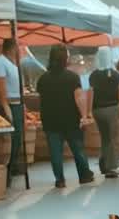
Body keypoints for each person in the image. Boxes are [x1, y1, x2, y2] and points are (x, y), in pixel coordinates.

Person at [36, 44, 94, 188]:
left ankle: (60, 180)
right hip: (71, 120)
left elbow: (41, 100)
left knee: (55, 152)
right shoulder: (72, 77)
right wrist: (84, 116)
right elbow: (79, 97)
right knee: (78, 149)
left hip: (50, 121)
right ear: (65, 59)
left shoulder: (43, 79)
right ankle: (84, 175)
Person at [88, 46, 119, 178]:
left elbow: (90, 92)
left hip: (97, 110)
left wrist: (89, 111)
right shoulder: (116, 75)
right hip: (112, 109)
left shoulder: (93, 75)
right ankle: (111, 167)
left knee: (105, 137)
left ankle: (103, 163)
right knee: (113, 139)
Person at [0, 38, 26, 176]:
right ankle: (8, 169)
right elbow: (1, 87)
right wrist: (6, 107)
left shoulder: (13, 64)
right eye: (18, 47)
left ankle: (13, 165)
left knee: (17, 138)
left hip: (17, 103)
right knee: (11, 139)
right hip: (9, 104)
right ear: (13, 48)